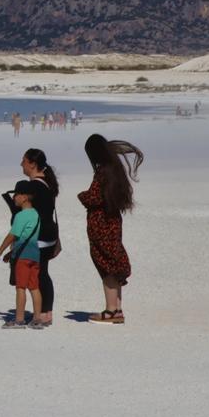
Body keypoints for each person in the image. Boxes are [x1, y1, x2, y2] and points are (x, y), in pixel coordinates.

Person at [79, 134, 144, 324]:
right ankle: (117, 309)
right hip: (113, 222)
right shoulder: (115, 170)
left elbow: (95, 197)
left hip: (102, 223)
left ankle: (110, 311)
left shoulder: (103, 172)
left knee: (106, 265)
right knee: (113, 263)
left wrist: (81, 196)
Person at [10, 148, 61, 325]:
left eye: (23, 161)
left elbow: (26, 214)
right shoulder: (47, 183)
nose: (21, 164)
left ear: (32, 164)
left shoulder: (33, 186)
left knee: (38, 275)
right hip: (50, 235)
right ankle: (46, 312)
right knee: (43, 274)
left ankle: (44, 313)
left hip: (39, 237)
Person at [0, 180, 43, 329]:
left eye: (16, 194)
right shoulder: (36, 215)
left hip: (23, 257)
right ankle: (37, 319)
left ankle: (19, 320)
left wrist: (1, 250)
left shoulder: (21, 216)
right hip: (35, 255)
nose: (14, 197)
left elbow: (13, 236)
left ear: (24, 197)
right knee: (34, 287)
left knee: (20, 287)